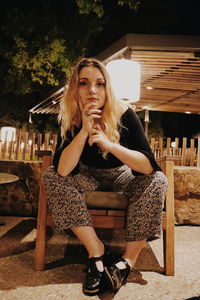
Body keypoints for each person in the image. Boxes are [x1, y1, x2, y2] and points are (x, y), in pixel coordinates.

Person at [42, 57, 168, 296]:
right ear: (75, 88)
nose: (92, 90)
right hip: (87, 175)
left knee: (158, 180)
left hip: (121, 174)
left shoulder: (124, 113)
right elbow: (63, 170)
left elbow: (148, 167)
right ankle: (96, 251)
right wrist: (85, 130)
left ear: (107, 87)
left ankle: (125, 264)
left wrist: (109, 145)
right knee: (51, 176)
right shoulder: (71, 116)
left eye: (99, 83)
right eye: (84, 83)